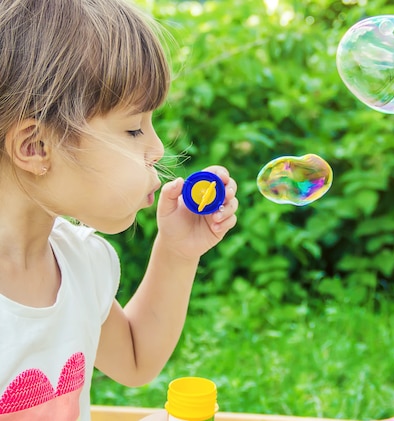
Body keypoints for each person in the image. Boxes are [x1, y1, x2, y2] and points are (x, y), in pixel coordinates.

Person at [0, 0, 239, 419]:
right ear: (35, 147)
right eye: (134, 129)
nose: (157, 148)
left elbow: (134, 359)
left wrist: (178, 252)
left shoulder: (80, 262)